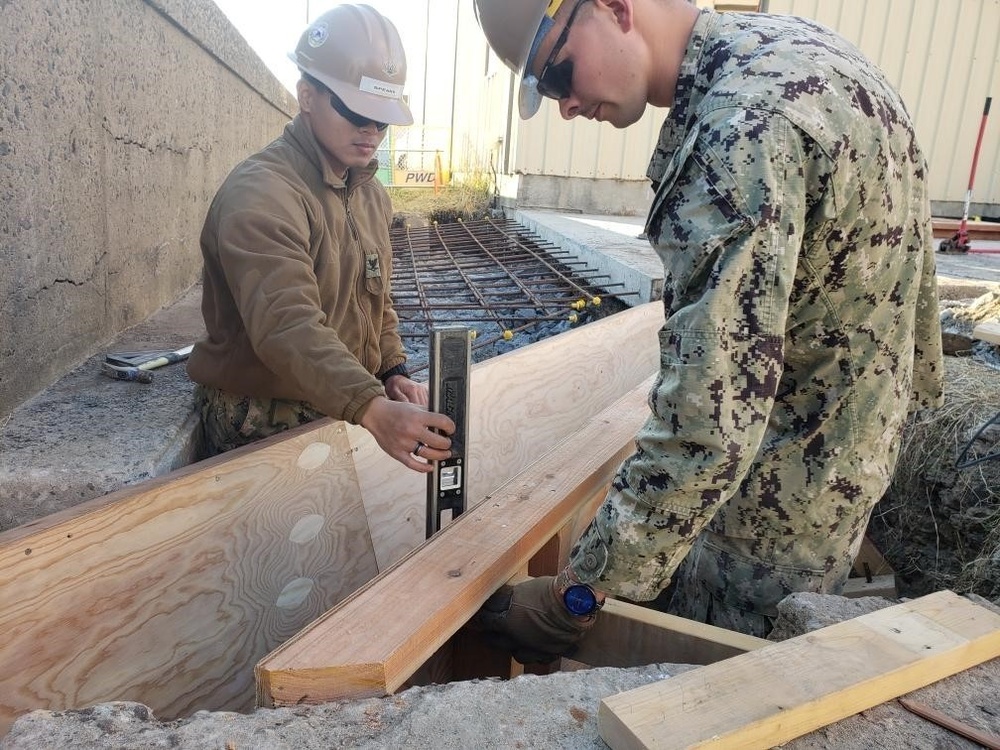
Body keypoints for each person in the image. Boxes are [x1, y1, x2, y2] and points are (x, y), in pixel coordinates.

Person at [472, 0, 944, 658]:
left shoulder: (739, 130)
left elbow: (708, 424)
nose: (567, 107)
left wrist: (579, 593)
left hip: (777, 507)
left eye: (557, 75)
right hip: (846, 453)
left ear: (612, 7)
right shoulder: (806, 53)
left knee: (715, 696)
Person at [187, 4, 454, 472]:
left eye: (383, 119)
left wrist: (391, 372)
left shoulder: (369, 194)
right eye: (356, 112)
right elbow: (287, 327)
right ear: (306, 95)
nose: (371, 131)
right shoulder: (263, 193)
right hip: (262, 417)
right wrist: (371, 405)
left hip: (341, 399)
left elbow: (376, 299)